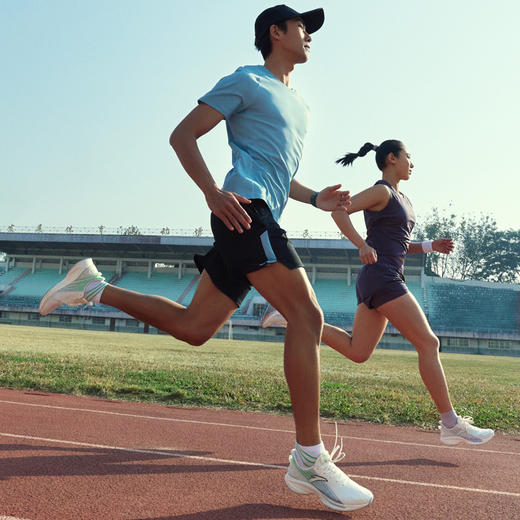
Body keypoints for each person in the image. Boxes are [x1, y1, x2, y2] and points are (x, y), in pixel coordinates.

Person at [39, 5, 374, 513]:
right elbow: (182, 135)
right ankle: (309, 458)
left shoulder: (298, 102)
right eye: (303, 27)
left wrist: (315, 200)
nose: (310, 36)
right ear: (275, 33)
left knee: (196, 326)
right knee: (308, 316)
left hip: (259, 212)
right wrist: (211, 192)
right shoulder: (247, 81)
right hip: (244, 212)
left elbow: (278, 171)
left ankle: (91, 286)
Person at [263, 139, 494, 446]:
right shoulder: (381, 191)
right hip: (382, 277)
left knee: (358, 352)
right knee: (428, 342)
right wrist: (362, 244)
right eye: (408, 156)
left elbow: (398, 244)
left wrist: (430, 246)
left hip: (382, 276)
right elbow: (339, 213)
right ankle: (450, 423)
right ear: (391, 158)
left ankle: (289, 319)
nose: (412, 162)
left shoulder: (404, 199)